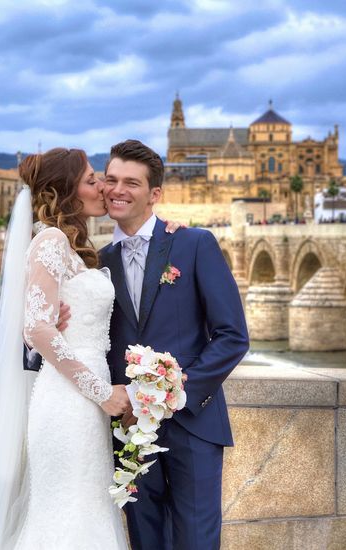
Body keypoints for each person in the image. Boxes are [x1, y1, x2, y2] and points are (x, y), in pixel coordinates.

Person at [0, 147, 131, 550]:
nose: (102, 187)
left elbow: (39, 324)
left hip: (85, 400)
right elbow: (36, 328)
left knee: (87, 509)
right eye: (92, 180)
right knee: (67, 513)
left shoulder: (73, 247)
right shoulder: (52, 241)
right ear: (66, 191)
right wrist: (103, 394)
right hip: (69, 401)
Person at [100, 139, 249, 550]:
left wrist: (178, 392)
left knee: (196, 541)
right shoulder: (99, 262)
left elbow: (233, 335)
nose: (118, 189)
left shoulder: (193, 243)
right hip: (129, 430)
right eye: (111, 179)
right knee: (145, 539)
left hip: (194, 424)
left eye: (132, 182)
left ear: (155, 194)